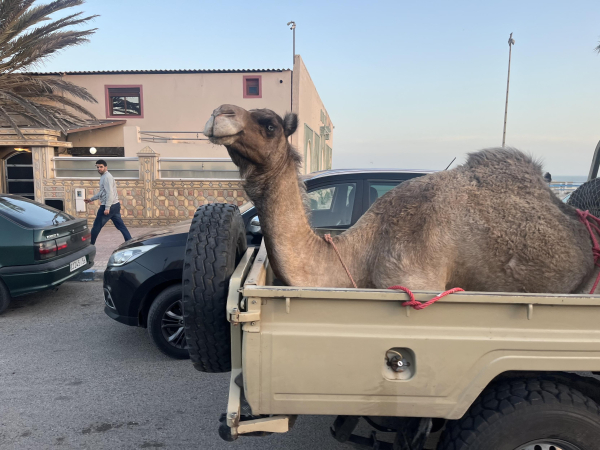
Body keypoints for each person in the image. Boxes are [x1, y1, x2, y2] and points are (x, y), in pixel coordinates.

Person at [84, 159, 132, 245]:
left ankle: (90, 245)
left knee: (96, 227)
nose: (99, 169)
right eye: (98, 167)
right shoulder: (104, 176)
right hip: (115, 205)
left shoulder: (107, 177)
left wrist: (107, 207)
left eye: (101, 167)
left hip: (109, 206)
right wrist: (91, 199)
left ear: (106, 167)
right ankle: (130, 242)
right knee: (121, 226)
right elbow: (103, 192)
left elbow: (110, 193)